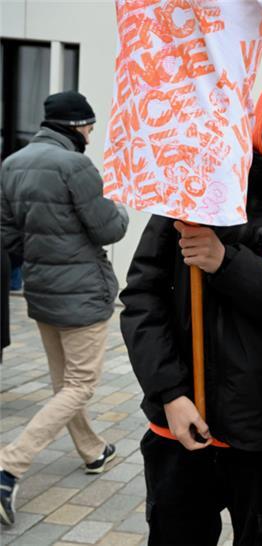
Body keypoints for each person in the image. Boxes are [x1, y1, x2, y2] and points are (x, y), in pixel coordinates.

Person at [120, 66, 262, 546]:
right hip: (180, 429)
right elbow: (141, 295)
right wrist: (170, 393)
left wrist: (225, 262)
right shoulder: (194, 187)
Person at [0, 91, 128, 526]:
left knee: (64, 383)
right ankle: (9, 465)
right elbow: (108, 229)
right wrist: (120, 205)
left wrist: (42, 257)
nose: (91, 133)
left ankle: (93, 450)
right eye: (90, 126)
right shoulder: (76, 166)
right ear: (77, 126)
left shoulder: (12, 165)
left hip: (41, 291)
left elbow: (8, 236)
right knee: (80, 385)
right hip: (82, 294)